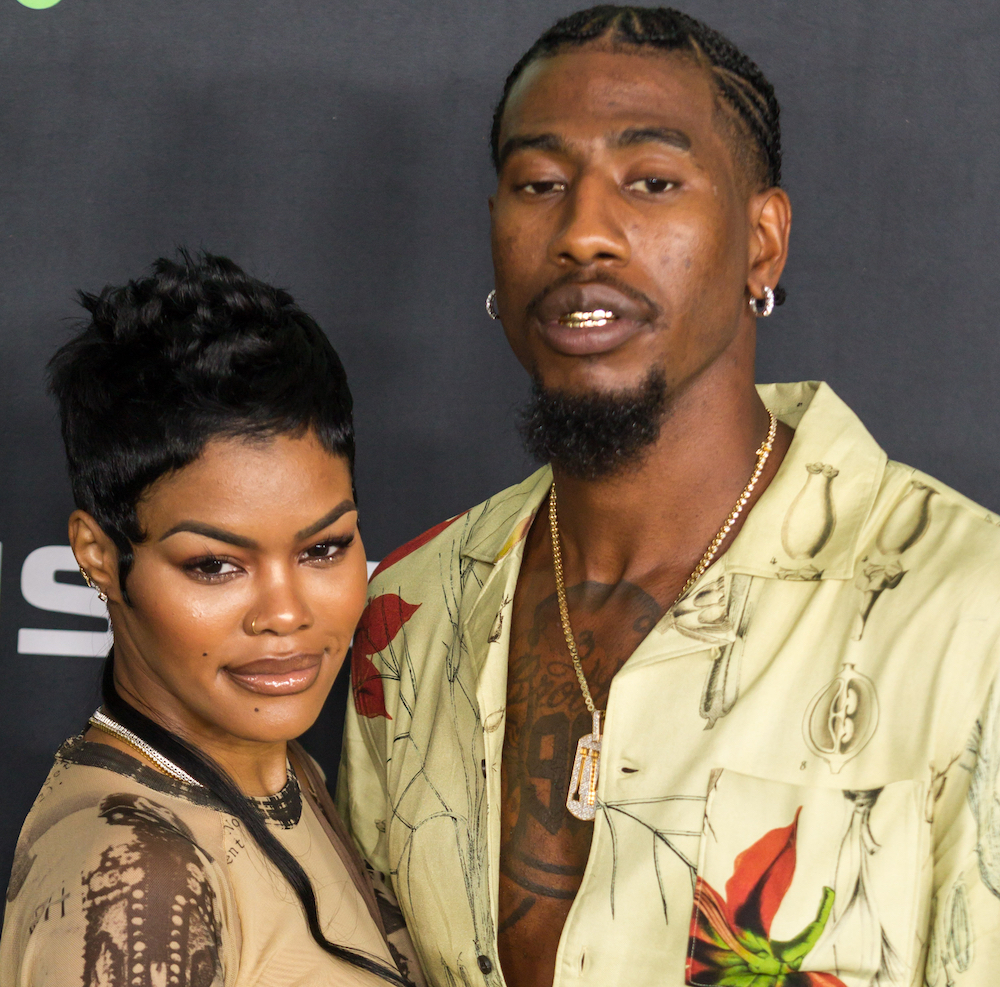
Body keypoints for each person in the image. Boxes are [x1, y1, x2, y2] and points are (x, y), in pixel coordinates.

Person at [337, 6, 1000, 987]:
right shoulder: (410, 611)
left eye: (651, 182)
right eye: (540, 185)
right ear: (495, 234)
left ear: (761, 244)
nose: (583, 233)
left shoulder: (966, 612)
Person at [1, 252, 424, 987]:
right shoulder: (142, 883)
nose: (286, 613)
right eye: (215, 566)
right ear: (98, 556)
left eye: (324, 548)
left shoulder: (282, 771)